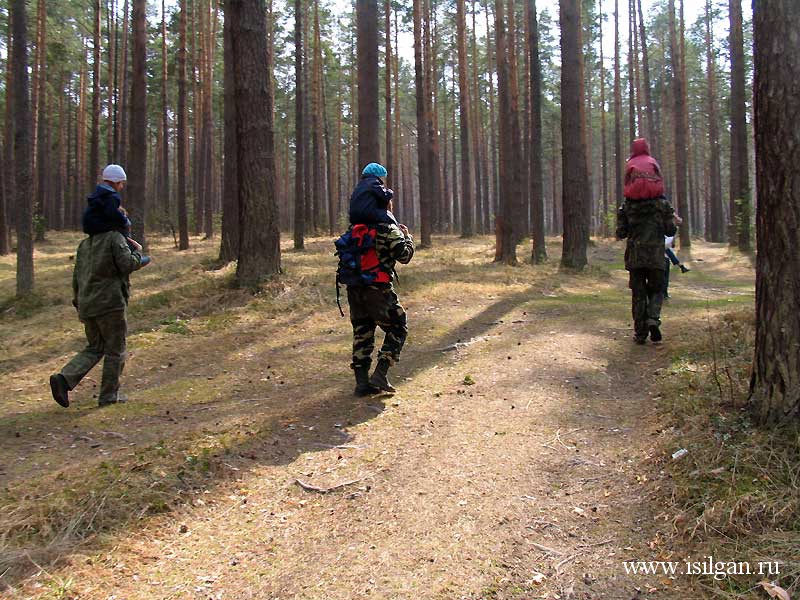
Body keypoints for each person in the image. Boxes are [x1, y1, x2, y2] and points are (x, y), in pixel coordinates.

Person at [49, 168, 152, 408]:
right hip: (110, 304)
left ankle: (64, 379)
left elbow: (77, 277)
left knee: (95, 347)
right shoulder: (115, 239)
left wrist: (78, 302)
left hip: (87, 304)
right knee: (116, 349)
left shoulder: (85, 244)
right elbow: (126, 265)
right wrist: (141, 257)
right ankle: (108, 396)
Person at [338, 166, 414, 396]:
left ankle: (362, 384)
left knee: (362, 332)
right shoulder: (387, 228)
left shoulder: (356, 228)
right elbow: (404, 256)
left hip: (354, 288)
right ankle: (380, 375)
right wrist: (407, 237)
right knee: (398, 327)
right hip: (377, 289)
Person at [617, 138, 677, 344]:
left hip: (635, 254)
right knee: (657, 289)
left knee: (638, 293)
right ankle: (653, 319)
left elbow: (621, 232)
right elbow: (670, 229)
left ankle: (640, 332)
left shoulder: (627, 206)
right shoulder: (662, 204)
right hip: (656, 254)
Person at [83, 164, 132, 237]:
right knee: (124, 227)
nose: (122, 187)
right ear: (116, 182)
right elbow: (113, 213)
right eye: (121, 183)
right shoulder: (111, 197)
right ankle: (128, 246)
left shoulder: (98, 195)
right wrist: (125, 221)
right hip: (100, 227)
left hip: (90, 227)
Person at [663, 233, 690, 299]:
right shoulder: (665, 241)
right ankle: (664, 294)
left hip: (664, 258)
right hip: (663, 259)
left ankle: (681, 267)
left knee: (663, 279)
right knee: (664, 279)